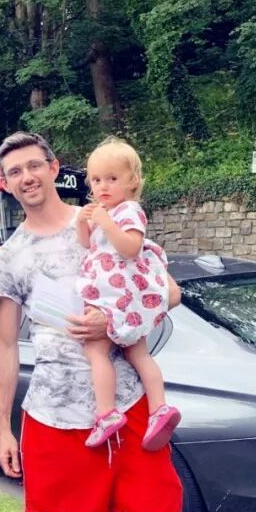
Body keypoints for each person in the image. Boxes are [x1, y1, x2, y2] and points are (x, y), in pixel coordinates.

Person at [0, 131, 183, 512]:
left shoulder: (105, 217)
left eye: (35, 165)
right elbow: (4, 344)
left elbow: (169, 292)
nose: (27, 177)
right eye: (15, 172)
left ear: (54, 168)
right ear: (5, 183)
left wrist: (112, 321)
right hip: (53, 410)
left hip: (128, 404)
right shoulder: (9, 256)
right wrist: (4, 428)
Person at [76, 137, 180, 449]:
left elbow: (131, 248)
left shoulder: (129, 210)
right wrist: (83, 223)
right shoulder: (104, 212)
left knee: (96, 350)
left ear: (132, 181)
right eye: (96, 180)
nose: (102, 186)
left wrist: (106, 223)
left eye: (112, 178)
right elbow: (87, 245)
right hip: (120, 296)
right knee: (137, 352)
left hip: (118, 296)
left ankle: (107, 413)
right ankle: (158, 409)